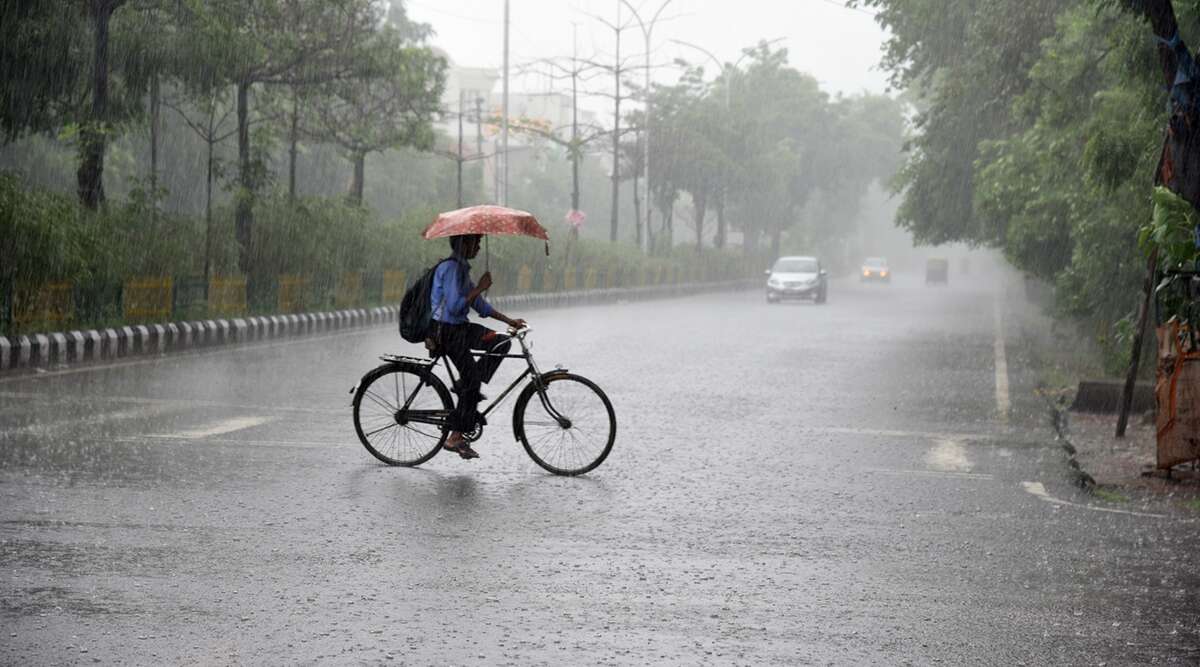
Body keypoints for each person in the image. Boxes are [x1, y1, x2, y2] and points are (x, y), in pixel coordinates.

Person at [431, 234, 525, 459]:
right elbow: (454, 306)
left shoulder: (461, 269)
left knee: (501, 340)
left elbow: (479, 305)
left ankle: (466, 386)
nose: (479, 247)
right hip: (447, 331)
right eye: (476, 242)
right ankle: (455, 437)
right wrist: (480, 287)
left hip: (459, 328)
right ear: (464, 244)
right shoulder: (451, 269)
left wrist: (509, 321)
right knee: (473, 382)